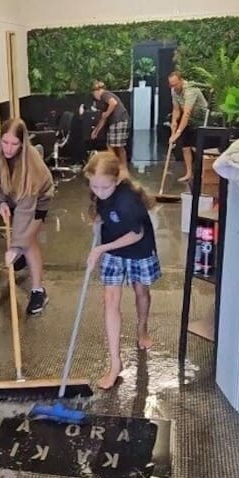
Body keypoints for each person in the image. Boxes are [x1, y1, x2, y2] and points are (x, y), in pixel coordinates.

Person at [84, 151, 160, 390]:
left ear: (116, 181)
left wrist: (100, 249)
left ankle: (142, 327)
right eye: (94, 186)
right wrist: (98, 220)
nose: (98, 191)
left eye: (104, 188)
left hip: (138, 247)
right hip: (113, 249)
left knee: (141, 293)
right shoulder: (98, 190)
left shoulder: (127, 200)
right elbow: (101, 210)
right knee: (110, 300)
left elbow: (136, 233)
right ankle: (115, 363)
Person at [0, 118, 56, 315]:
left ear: (22, 144)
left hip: (38, 198)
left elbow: (25, 211)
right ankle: (19, 255)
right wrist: (0, 203)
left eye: (14, 144)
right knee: (20, 241)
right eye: (5, 142)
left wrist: (16, 246)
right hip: (9, 194)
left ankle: (39, 291)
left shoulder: (30, 161)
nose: (8, 148)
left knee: (28, 241)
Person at [167, 71, 211, 182]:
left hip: (201, 120)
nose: (173, 87)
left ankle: (201, 174)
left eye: (175, 84)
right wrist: (174, 124)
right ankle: (189, 174)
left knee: (196, 147)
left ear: (181, 81)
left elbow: (187, 113)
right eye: (171, 85)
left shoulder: (190, 90)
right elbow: (176, 109)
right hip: (189, 120)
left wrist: (177, 133)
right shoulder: (174, 90)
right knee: (185, 147)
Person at [90, 81, 130, 168]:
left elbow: (113, 103)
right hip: (120, 120)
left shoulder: (105, 94)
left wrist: (107, 113)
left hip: (118, 120)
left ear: (96, 91)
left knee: (114, 146)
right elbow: (103, 119)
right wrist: (96, 131)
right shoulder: (104, 101)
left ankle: (116, 167)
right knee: (117, 146)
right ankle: (120, 167)